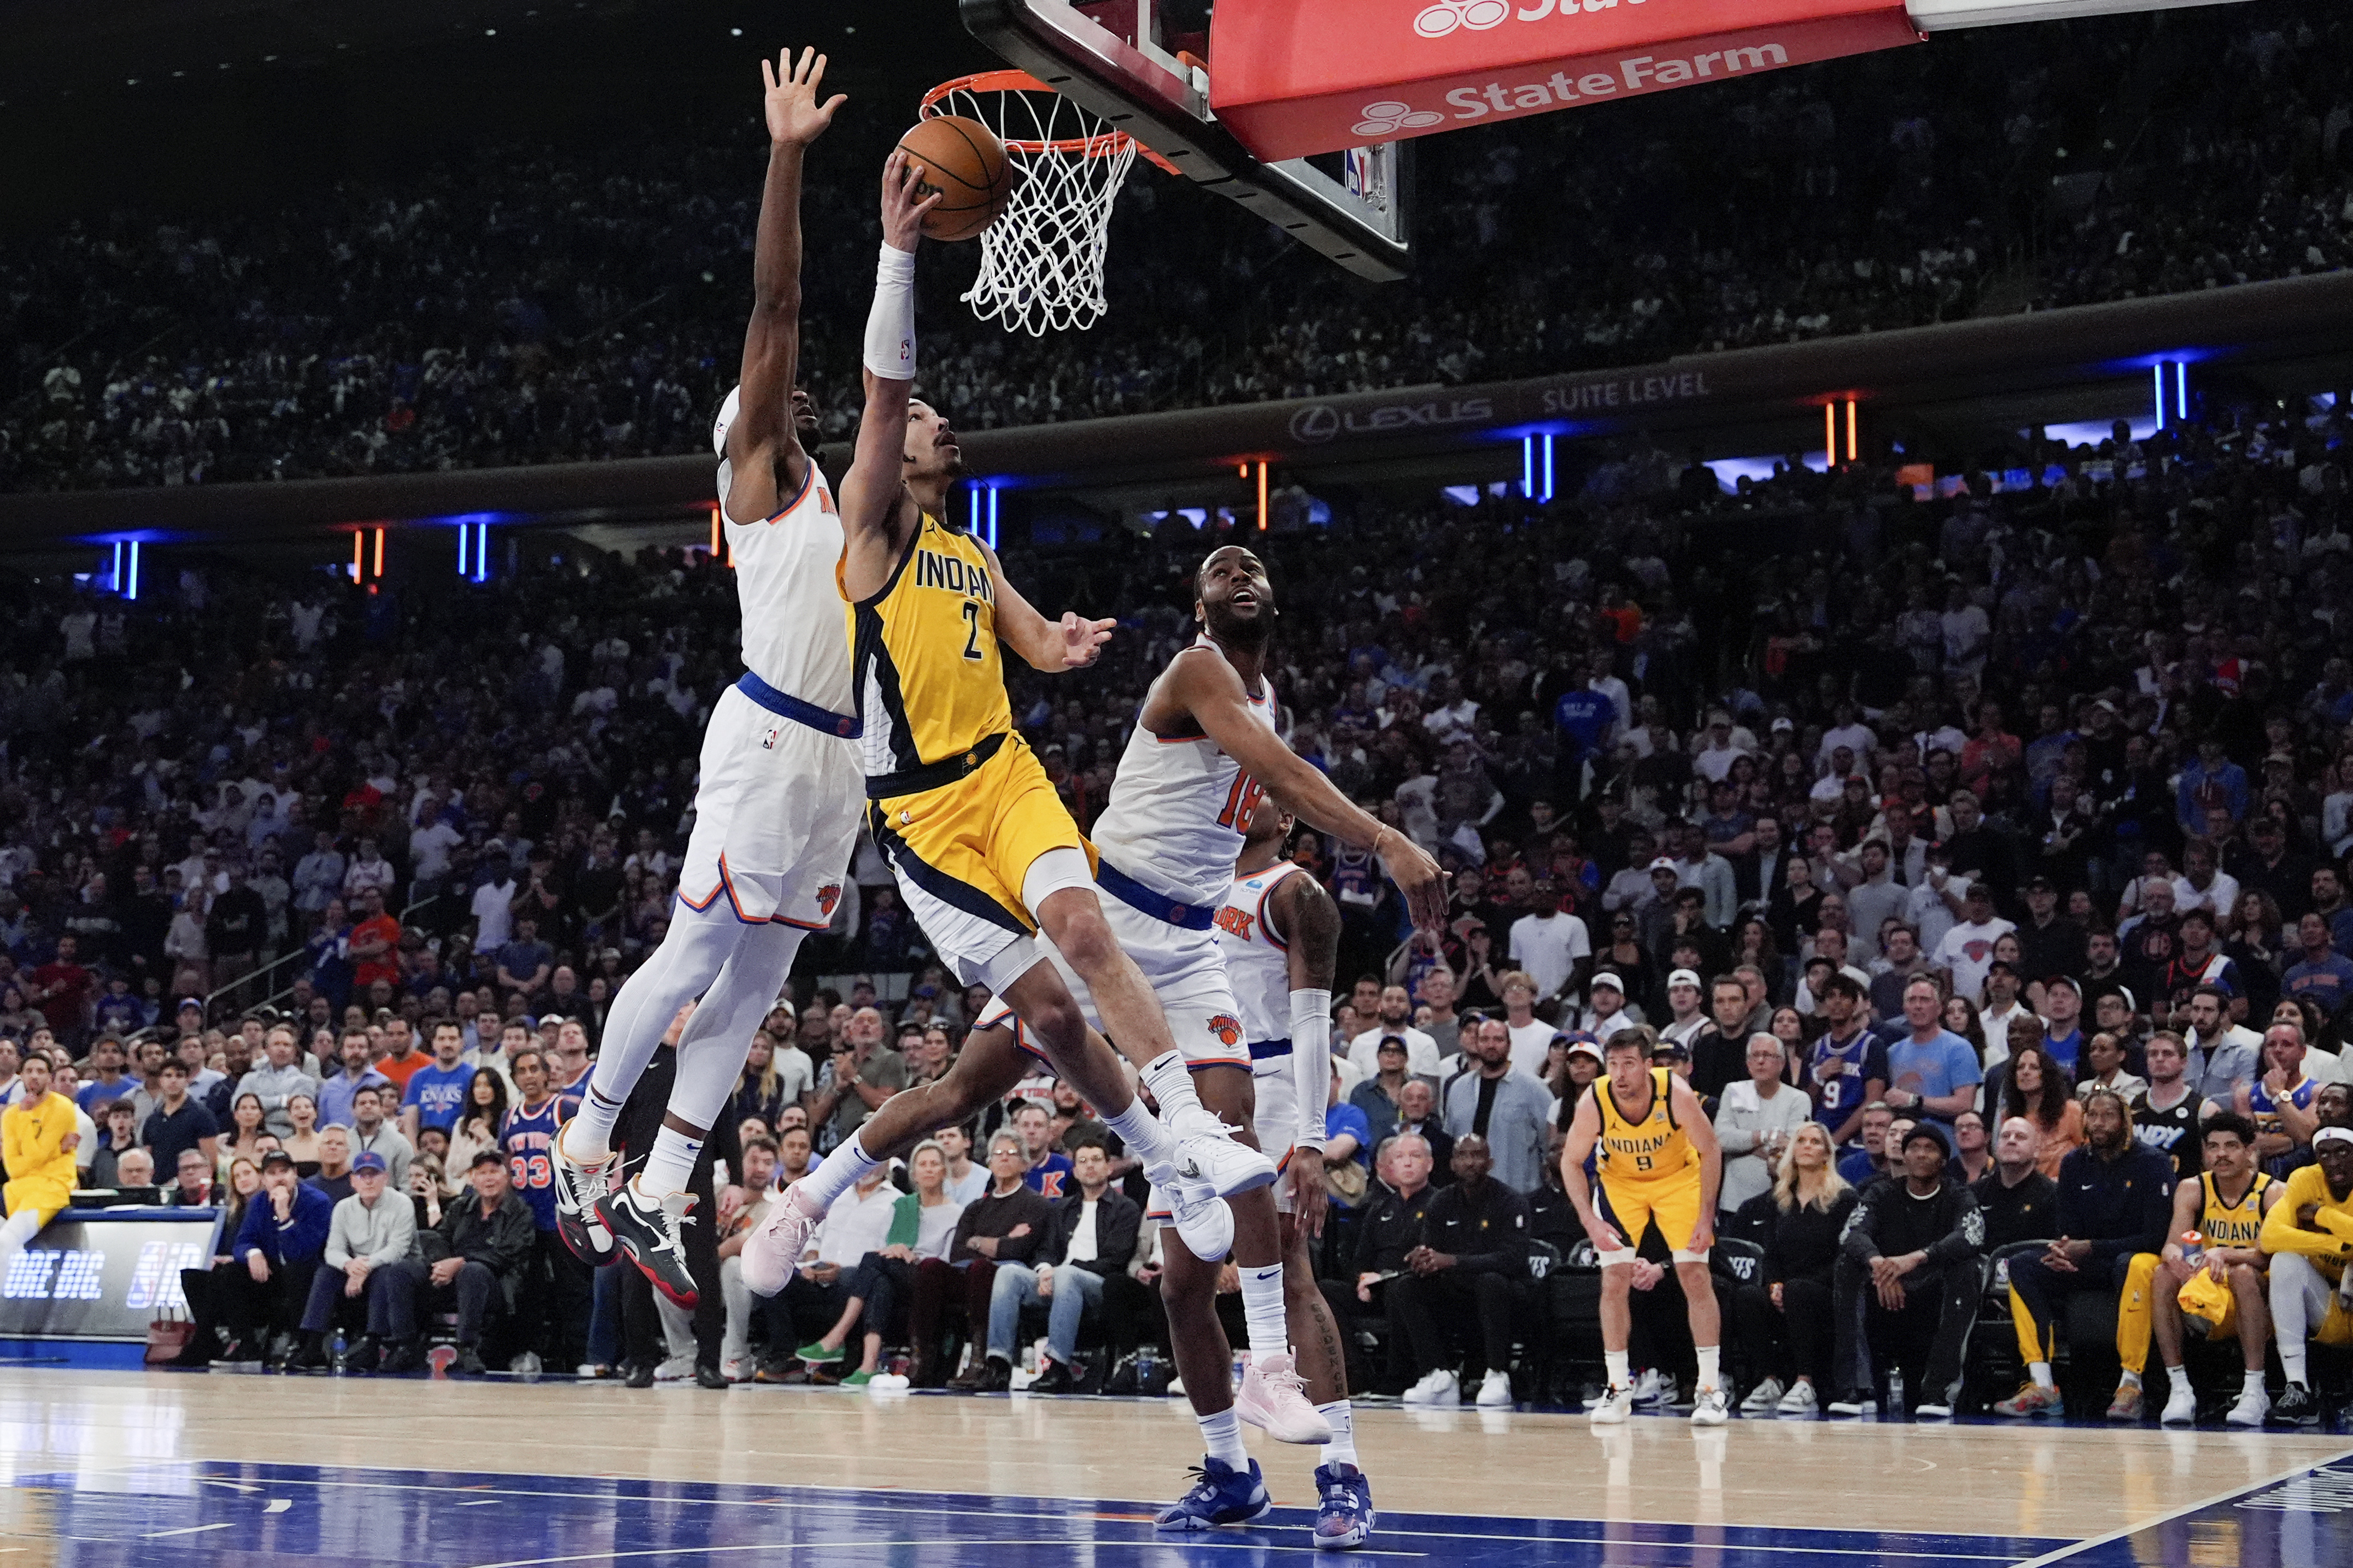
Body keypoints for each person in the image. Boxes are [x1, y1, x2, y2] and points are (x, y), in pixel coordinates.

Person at [547, 52, 867, 1305]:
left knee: (758, 982)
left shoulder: (828, 499)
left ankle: (661, 1177)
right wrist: (786, 155)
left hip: (834, 760)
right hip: (768, 736)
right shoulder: (757, 482)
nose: (782, 402)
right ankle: (587, 1139)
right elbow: (777, 305)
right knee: (691, 958)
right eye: (765, 402)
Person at [1561, 1030, 1727, 1423]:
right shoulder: (1595, 1100)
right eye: (1613, 1064)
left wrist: (1706, 1217)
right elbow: (1570, 1161)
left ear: (1648, 1065)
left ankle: (1709, 1389)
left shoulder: (1676, 1093)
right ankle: (1618, 1387)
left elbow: (1710, 1149)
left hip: (1678, 1180)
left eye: (1629, 1064)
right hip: (1621, 1185)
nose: (1619, 1074)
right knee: (1614, 1280)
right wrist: (1590, 1222)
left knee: (1694, 1274)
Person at [1994, 1090, 2174, 1417]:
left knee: (2134, 1263)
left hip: (2132, 1260)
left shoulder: (2152, 1163)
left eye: (2108, 1116)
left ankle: (2131, 1384)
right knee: (2021, 1265)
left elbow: (2156, 1238)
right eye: (2093, 1115)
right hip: (2089, 1261)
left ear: (2124, 1121)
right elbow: (2067, 1227)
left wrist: (2090, 1247)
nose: (2100, 1123)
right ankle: (2042, 1384)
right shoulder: (2075, 1163)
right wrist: (2062, 1250)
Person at [2131, 1112, 2277, 1428]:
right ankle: (2180, 1388)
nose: (2221, 1154)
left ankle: (2254, 1389)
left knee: (2241, 1273)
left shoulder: (2272, 1191)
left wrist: (2226, 1252)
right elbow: (2171, 1244)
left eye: (2231, 1146)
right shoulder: (2192, 1188)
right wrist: (2176, 1260)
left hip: (2259, 1300)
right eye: (2213, 1147)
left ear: (2250, 1150)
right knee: (2162, 1273)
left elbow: (2271, 1257)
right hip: (2207, 1293)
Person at [1830, 1124, 1986, 1419]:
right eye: (1915, 1148)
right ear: (1904, 1156)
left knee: (1967, 1268)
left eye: (1930, 1149)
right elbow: (1851, 1233)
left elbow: (1971, 1236)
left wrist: (1917, 1258)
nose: (1922, 1154)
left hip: (1933, 1289)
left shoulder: (1958, 1195)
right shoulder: (1881, 1192)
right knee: (1847, 1264)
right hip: (1884, 1287)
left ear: (1943, 1159)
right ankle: (1855, 1389)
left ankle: (1938, 1391)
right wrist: (1879, 1264)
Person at [979, 1137, 1141, 1391]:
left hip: (1098, 1286)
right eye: (1083, 1162)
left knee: (1067, 1274)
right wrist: (1045, 1271)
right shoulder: (1063, 1208)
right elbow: (1046, 1250)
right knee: (1009, 1273)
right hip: (1057, 1280)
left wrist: (1062, 1272)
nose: (1090, 1167)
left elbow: (1115, 1259)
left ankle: (1057, 1364)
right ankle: (998, 1364)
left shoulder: (1126, 1208)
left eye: (1097, 1160)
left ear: (1109, 1167)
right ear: (1074, 1171)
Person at [1389, 1135, 1531, 1410]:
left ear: (1490, 1162)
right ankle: (1439, 1374)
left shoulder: (1510, 1201)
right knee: (1406, 1286)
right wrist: (1422, 1259)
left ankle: (1497, 1375)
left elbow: (1513, 1259)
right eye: (1463, 1156)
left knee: (1491, 1282)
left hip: (1505, 1295)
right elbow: (1431, 1250)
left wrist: (1453, 1261)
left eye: (1477, 1156)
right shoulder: (1442, 1201)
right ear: (1452, 1164)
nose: (1470, 1163)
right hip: (1457, 1293)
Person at [1730, 1123, 1855, 1416]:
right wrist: (1774, 1285)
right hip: (1787, 1288)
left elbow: (1844, 1257)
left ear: (1827, 1153)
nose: (1808, 1146)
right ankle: (1769, 1380)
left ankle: (1805, 1381)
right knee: (1748, 1295)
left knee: (1799, 1290)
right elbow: (1770, 1253)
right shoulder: (1780, 1200)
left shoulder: (1844, 1199)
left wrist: (1791, 1289)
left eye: (1815, 1142)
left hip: (1828, 1290)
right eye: (1801, 1141)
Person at [397, 1148, 535, 1375]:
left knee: (473, 1271)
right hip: (453, 1281)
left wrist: (459, 1262)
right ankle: (403, 1346)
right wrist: (442, 1265)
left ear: (507, 1177)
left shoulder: (520, 1212)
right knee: (404, 1269)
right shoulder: (461, 1207)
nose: (488, 1178)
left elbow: (505, 1255)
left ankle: (468, 1349)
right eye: (482, 1172)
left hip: (499, 1286)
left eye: (494, 1171)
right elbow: (440, 1237)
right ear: (473, 1178)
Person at [940, 1132, 1060, 1390]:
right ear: (989, 1163)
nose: (1004, 1158)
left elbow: (1021, 1248)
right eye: (998, 1154)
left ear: (1025, 1164)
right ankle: (928, 1359)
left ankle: (988, 1361)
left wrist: (979, 1242)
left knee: (984, 1269)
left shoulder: (1037, 1205)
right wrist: (1000, 1242)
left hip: (1015, 1275)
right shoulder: (975, 1208)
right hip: (973, 1270)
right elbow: (958, 1252)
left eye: (1012, 1153)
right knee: (930, 1270)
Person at [289, 1150, 420, 1373]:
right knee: (326, 1273)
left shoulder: (402, 1204)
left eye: (374, 1174)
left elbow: (398, 1250)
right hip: (357, 1267)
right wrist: (350, 1266)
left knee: (385, 1272)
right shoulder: (343, 1207)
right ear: (352, 1181)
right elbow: (333, 1250)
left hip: (400, 1266)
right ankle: (313, 1344)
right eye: (362, 1175)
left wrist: (365, 1266)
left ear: (386, 1178)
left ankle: (372, 1343)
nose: (368, 1180)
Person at [2258, 1124, 2353, 1427]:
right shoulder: (2304, 1179)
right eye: (2324, 1153)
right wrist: (2337, 1245)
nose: (2333, 1161)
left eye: (2343, 1152)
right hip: (2331, 1306)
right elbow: (2270, 1238)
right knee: (2285, 1261)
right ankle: (2299, 1391)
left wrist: (2322, 1216)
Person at [221, 1148, 333, 1364]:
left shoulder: (318, 1202)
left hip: (307, 1274)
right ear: (263, 1179)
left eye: (284, 1171)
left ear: (295, 1174)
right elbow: (242, 1242)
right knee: (231, 1272)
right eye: (272, 1173)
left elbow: (303, 1252)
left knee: (296, 1269)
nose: (279, 1177)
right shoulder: (258, 1202)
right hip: (272, 1273)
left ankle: (302, 1343)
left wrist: (284, 1215)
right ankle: (247, 1344)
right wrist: (253, 1254)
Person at [1713, 1033, 1810, 1215]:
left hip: (1780, 1202)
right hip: (1734, 1203)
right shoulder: (1734, 1091)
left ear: (1781, 1063)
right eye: (1755, 1056)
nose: (1760, 1061)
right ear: (1748, 1063)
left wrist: (1743, 1146)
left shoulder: (1798, 1099)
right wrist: (1766, 1137)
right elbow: (1721, 1139)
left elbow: (1791, 1151)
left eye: (1767, 1055)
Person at [0, 1055, 79, 1265]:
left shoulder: (62, 1106)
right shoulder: (9, 1116)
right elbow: (13, 1169)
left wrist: (26, 1117)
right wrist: (57, 1150)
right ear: (21, 1077)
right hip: (17, 1190)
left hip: (51, 1187)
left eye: (41, 1071)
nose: (34, 1076)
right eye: (29, 1071)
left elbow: (37, 1156)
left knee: (4, 1242)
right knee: (10, 1250)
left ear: (51, 1078)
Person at [1883, 976, 1982, 1123]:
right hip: (1902, 1139)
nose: (1918, 1006)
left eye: (1925, 1000)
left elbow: (1965, 1104)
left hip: (1944, 1139)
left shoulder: (1959, 1049)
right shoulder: (1894, 1052)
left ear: (1939, 1009)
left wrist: (1914, 1101)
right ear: (1904, 1008)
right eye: (1912, 1000)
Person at [1971, 1115, 2061, 1253]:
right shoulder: (1975, 1193)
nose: (2011, 1141)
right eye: (2005, 1136)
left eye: (2020, 1137)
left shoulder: (2053, 1196)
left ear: (2037, 1149)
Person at [2000, 1044, 2085, 1179]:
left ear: (2046, 1074)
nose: (2025, 1072)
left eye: (2034, 1067)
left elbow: (2088, 1153)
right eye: (2020, 1067)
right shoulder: (2008, 1116)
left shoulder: (2071, 1110)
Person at [2130, 1032, 2206, 1181]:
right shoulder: (2131, 1104)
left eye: (2168, 1054)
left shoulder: (2204, 1109)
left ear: (2184, 1062)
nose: (2159, 1059)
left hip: (2184, 1197)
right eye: (2153, 1054)